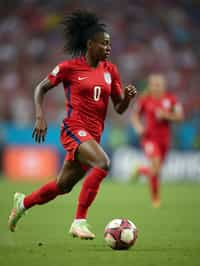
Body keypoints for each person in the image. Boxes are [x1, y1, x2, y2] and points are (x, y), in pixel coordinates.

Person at [8, 10, 136, 239]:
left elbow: (118, 108)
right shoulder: (70, 68)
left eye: (110, 44)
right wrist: (39, 116)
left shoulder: (111, 71)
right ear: (90, 44)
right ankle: (79, 222)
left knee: (62, 186)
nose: (108, 48)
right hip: (73, 129)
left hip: (93, 135)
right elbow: (41, 88)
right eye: (104, 44)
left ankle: (23, 203)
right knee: (104, 163)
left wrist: (126, 98)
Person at [131, 74, 183, 207]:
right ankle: (155, 200)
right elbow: (135, 116)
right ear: (150, 86)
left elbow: (180, 117)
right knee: (155, 164)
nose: (156, 87)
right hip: (149, 138)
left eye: (158, 85)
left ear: (163, 86)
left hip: (165, 140)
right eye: (153, 85)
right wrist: (138, 127)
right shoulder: (145, 99)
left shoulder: (171, 99)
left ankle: (141, 170)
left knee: (156, 170)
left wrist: (166, 115)